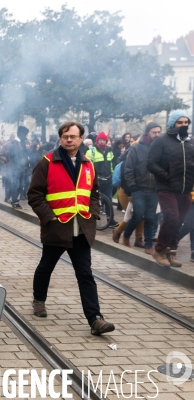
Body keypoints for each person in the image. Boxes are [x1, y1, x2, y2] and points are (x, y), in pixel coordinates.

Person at [28, 121, 115, 336]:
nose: (69, 139)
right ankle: (39, 300)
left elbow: (93, 193)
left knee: (85, 274)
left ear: (80, 139)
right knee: (46, 267)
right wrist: (49, 218)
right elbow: (35, 195)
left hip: (82, 229)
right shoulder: (47, 162)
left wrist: (94, 213)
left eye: (73, 136)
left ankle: (95, 319)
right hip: (57, 228)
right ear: (60, 138)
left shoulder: (88, 164)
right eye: (65, 136)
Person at [147, 110, 194, 267]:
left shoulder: (189, 142)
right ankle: (159, 250)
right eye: (179, 122)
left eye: (186, 122)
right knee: (171, 217)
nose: (183, 125)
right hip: (166, 187)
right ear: (172, 124)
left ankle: (171, 252)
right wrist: (167, 177)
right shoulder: (161, 141)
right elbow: (151, 163)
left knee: (179, 221)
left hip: (185, 188)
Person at [120, 122, 161, 253]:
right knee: (137, 215)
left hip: (154, 189)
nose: (157, 135)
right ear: (147, 132)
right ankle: (126, 235)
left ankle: (148, 245)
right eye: (154, 132)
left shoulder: (160, 148)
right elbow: (128, 169)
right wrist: (133, 188)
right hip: (139, 189)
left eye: (159, 132)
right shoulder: (136, 148)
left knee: (150, 217)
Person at [88, 132, 117, 226]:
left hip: (108, 180)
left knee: (109, 199)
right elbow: (87, 166)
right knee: (94, 200)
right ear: (97, 141)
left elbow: (111, 165)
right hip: (97, 180)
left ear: (106, 141)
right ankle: (91, 218)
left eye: (104, 140)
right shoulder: (91, 151)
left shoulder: (110, 151)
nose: (102, 142)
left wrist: (112, 174)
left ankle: (110, 219)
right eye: (100, 140)